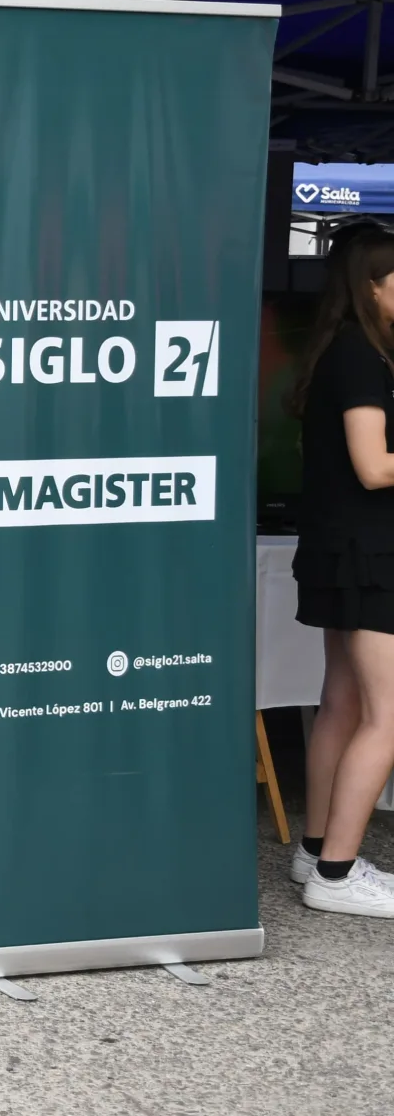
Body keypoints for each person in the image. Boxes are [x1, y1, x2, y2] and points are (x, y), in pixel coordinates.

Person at [289, 230, 394, 917]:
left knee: (344, 704)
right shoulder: (360, 356)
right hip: (369, 553)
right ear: (372, 287)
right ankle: (335, 874)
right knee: (387, 715)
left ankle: (317, 848)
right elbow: (374, 466)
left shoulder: (346, 350)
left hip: (342, 549)